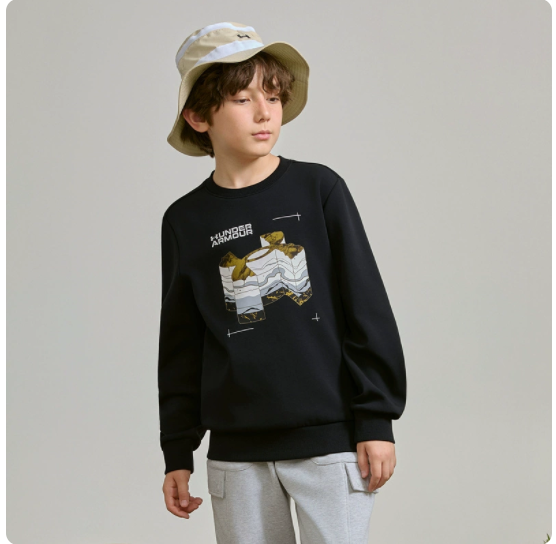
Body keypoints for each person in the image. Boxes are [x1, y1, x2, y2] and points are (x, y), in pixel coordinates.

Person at [158, 21, 407, 544]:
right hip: (236, 456)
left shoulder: (319, 188)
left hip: (330, 443)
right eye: (242, 99)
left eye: (272, 96)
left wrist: (376, 419)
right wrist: (177, 451)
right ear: (198, 116)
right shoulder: (184, 220)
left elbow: (365, 306)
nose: (265, 112)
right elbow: (181, 345)